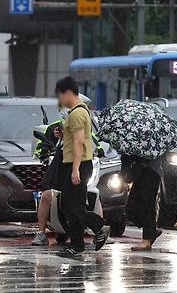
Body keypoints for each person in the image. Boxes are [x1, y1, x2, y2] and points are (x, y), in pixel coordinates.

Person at [32, 97, 106, 246]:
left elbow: (88, 145)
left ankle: (93, 232)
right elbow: (41, 146)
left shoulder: (80, 121)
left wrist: (75, 170)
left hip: (75, 168)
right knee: (59, 201)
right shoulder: (54, 127)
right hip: (59, 169)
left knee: (75, 205)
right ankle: (43, 233)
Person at [55, 76, 110, 255]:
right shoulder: (78, 112)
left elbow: (79, 143)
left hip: (78, 164)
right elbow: (75, 138)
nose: (60, 101)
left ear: (68, 93)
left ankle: (99, 227)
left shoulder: (78, 113)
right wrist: (63, 133)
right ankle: (76, 244)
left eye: (60, 96)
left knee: (74, 207)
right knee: (69, 206)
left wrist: (75, 169)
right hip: (74, 163)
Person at [122, 155, 164, 251]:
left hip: (151, 171)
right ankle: (151, 230)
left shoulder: (149, 146)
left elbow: (150, 156)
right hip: (141, 171)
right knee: (131, 209)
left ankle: (147, 239)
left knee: (146, 206)